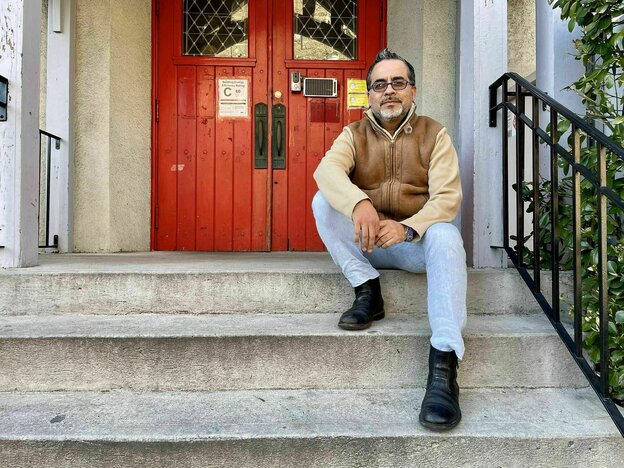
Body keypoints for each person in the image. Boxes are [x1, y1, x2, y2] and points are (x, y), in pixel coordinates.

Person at [312, 48, 467, 431]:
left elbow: (448, 198)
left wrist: (409, 227)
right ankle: (368, 291)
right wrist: (359, 202)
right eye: (380, 84)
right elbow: (327, 170)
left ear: (412, 90)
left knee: (447, 234)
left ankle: (444, 365)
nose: (389, 91)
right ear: (370, 95)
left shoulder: (435, 134)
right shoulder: (354, 133)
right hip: (369, 244)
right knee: (323, 201)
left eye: (398, 82)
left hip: (414, 245)